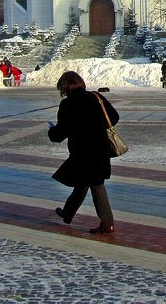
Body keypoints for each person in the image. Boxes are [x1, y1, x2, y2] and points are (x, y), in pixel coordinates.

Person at [48, 70, 118, 234]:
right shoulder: (96, 97)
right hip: (101, 148)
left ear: (65, 87)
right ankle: (67, 213)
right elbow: (114, 117)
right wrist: (97, 126)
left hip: (82, 152)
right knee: (82, 182)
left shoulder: (67, 104)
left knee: (95, 184)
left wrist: (52, 131)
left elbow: (59, 134)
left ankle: (107, 223)